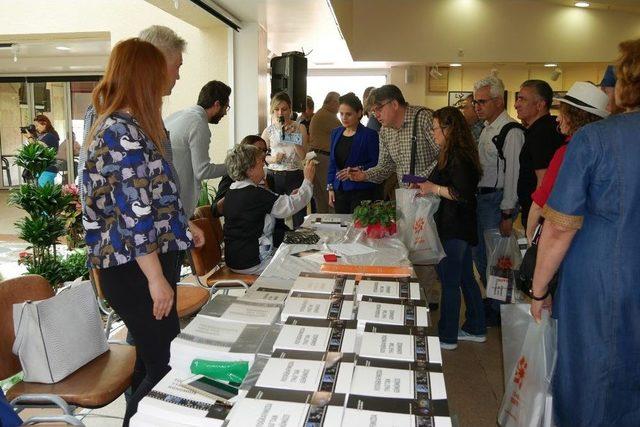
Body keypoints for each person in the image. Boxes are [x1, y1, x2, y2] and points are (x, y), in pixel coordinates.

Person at [81, 38, 200, 426]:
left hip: (141, 264)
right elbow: (135, 216)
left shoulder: (130, 126)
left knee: (152, 360)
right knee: (163, 366)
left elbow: (151, 198)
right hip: (134, 270)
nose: (173, 78)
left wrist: (183, 227)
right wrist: (156, 280)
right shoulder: (120, 132)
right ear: (144, 76)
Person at [530, 38, 640, 426]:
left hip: (603, 281)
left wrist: (539, 289)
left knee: (593, 378)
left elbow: (559, 227)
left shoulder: (596, 139)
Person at [79, 25, 186, 205]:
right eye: (177, 66)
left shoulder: (147, 111)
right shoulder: (111, 119)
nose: (178, 76)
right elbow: (91, 190)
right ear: (154, 63)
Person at [414, 106, 484, 350]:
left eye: (435, 128)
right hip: (456, 225)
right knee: (465, 277)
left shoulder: (459, 157)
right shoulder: (452, 153)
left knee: (450, 280)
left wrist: (433, 189)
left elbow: (461, 193)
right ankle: (476, 325)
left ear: (449, 128)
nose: (433, 133)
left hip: (456, 227)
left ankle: (447, 336)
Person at [472, 76, 525, 324]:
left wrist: (507, 213)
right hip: (483, 200)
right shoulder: (487, 128)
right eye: (475, 102)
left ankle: (500, 308)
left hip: (497, 201)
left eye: (482, 101)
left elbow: (513, 175)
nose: (477, 106)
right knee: (483, 257)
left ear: (498, 100)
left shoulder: (510, 131)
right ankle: (493, 301)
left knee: (498, 261)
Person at [526, 82, 608, 242]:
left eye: (563, 113)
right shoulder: (606, 148)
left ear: (575, 117)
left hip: (566, 235)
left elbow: (541, 201)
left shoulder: (568, 151)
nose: (557, 118)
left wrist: (530, 236)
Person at [223, 143, 315, 274]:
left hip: (237, 258)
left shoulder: (234, 191)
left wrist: (291, 197)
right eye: (260, 162)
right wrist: (307, 180)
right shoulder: (254, 194)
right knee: (308, 262)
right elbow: (288, 207)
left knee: (305, 251)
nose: (264, 165)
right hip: (252, 261)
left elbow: (274, 204)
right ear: (249, 169)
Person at [343, 84, 438, 187]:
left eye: (379, 109)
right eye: (374, 111)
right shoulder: (385, 131)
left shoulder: (423, 118)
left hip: (434, 195)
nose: (376, 115)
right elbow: (385, 166)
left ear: (394, 104)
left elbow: (447, 156)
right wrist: (364, 175)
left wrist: (420, 179)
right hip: (407, 196)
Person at [164, 80, 229, 219]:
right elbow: (202, 171)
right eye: (226, 107)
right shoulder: (199, 124)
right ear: (217, 104)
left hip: (164, 193)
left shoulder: (178, 115)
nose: (225, 113)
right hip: (177, 201)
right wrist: (232, 167)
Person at [514, 79, 565, 228]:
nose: (516, 104)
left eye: (522, 99)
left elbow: (543, 181)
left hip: (540, 215)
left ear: (540, 104)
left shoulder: (542, 133)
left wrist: (535, 221)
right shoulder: (541, 129)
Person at [261, 92, 308, 228]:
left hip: (294, 174)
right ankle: (278, 246)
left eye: (284, 109)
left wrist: (292, 137)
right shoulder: (268, 131)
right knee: (275, 214)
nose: (280, 112)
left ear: (290, 109)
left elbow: (302, 156)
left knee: (299, 213)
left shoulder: (300, 127)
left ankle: (302, 244)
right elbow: (262, 157)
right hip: (273, 175)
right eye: (276, 109)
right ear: (272, 111)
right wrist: (274, 159)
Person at [327, 92, 379, 214]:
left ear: (359, 113)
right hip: (339, 189)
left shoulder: (370, 135)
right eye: (341, 114)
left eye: (348, 114)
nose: (344, 118)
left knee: (358, 229)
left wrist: (358, 169)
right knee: (342, 228)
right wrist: (330, 187)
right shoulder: (336, 132)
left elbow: (376, 162)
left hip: (361, 190)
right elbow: (332, 163)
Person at [212, 134, 268, 215]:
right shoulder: (231, 176)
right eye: (258, 150)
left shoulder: (267, 176)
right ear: (245, 152)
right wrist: (240, 191)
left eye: (265, 150)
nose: (263, 154)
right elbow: (215, 210)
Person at [309, 92, 341, 213]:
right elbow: (346, 131)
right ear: (332, 103)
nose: (340, 108)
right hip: (323, 159)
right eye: (339, 103)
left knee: (321, 198)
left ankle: (323, 227)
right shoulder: (327, 116)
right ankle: (333, 227)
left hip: (316, 158)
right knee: (330, 197)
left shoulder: (320, 114)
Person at [32, 114, 60, 186]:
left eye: (37, 126)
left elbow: (39, 145)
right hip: (44, 169)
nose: (36, 128)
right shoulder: (44, 136)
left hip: (48, 169)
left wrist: (30, 137)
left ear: (45, 124)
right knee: (47, 193)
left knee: (44, 193)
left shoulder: (50, 136)